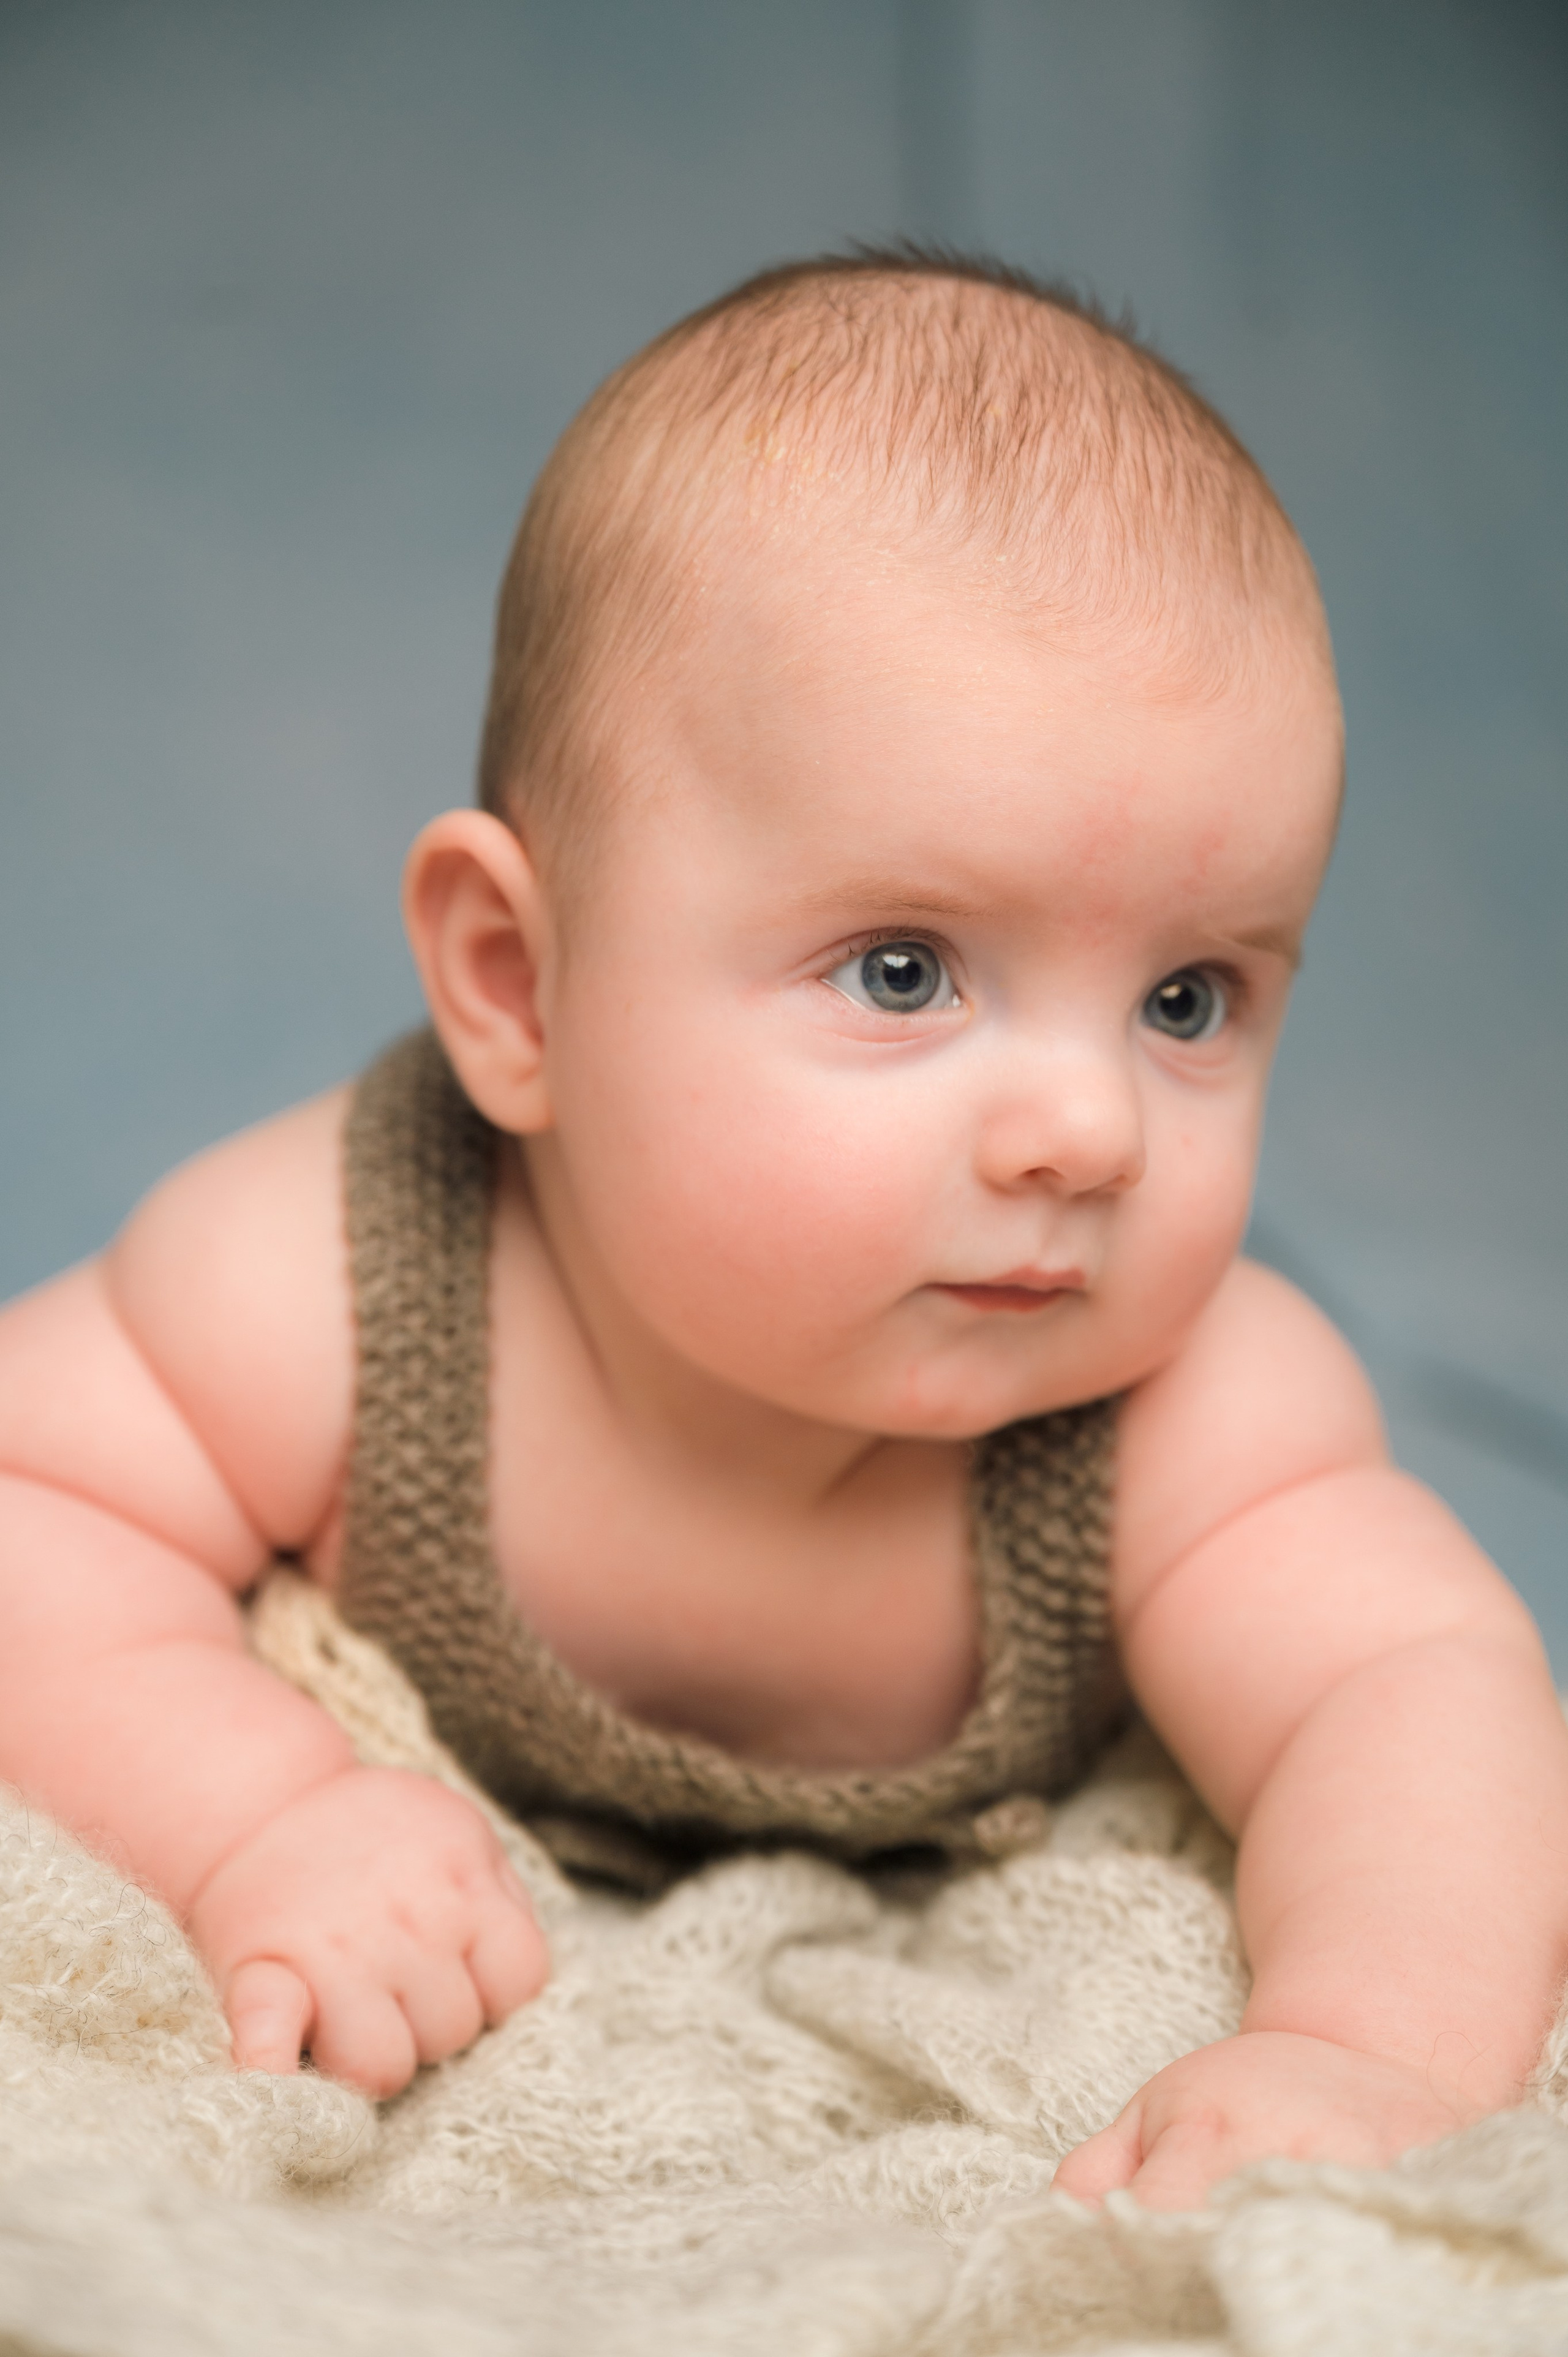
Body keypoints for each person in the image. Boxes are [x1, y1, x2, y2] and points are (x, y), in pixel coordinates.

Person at [1, 250, 1564, 2214]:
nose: (1089, 1131)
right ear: (518, 988)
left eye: (1192, 1001)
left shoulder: (1186, 1411)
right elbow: (29, 1505)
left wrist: (1365, 2046)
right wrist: (259, 1820)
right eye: (905, 970)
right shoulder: (332, 1278)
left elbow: (1410, 1692)